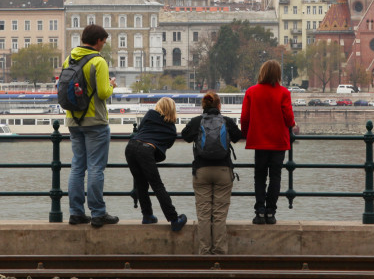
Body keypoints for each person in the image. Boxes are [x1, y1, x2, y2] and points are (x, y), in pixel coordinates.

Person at [64, 24, 118, 228]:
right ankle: (98, 213)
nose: (103, 45)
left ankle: (76, 213)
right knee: (96, 167)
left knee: (77, 166)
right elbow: (103, 93)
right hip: (95, 120)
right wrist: (112, 85)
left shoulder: (68, 59)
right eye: (103, 42)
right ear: (97, 41)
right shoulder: (98, 61)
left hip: (73, 120)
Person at [181, 91, 242, 255]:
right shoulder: (227, 121)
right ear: (219, 105)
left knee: (203, 213)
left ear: (203, 105)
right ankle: (220, 251)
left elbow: (185, 136)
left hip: (202, 171)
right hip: (223, 170)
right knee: (219, 214)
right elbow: (238, 136)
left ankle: (205, 251)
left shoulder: (196, 121)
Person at [241, 60, 298, 225]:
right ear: (278, 75)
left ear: (262, 73)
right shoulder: (284, 93)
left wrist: (246, 134)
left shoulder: (251, 91)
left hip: (259, 140)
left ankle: (259, 212)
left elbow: (244, 117)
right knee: (275, 177)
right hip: (278, 141)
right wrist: (291, 124)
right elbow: (288, 118)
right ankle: (271, 213)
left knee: (259, 176)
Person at [125, 97, 187, 231]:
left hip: (130, 148)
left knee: (141, 184)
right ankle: (174, 219)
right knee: (157, 186)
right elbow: (166, 146)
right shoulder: (171, 130)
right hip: (146, 151)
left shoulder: (150, 114)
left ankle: (147, 215)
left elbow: (140, 129)